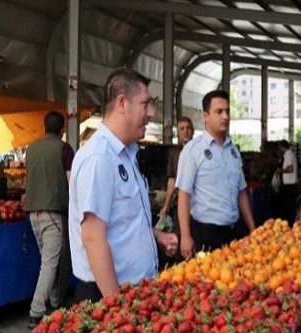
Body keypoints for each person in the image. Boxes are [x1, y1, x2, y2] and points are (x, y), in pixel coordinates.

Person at [69, 68, 178, 302]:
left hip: (135, 292)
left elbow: (120, 222)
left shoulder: (127, 154)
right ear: (122, 103)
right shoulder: (99, 158)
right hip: (108, 296)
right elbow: (93, 238)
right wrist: (116, 308)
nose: (151, 113)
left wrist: (155, 235)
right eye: (145, 103)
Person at [176, 90, 256, 259]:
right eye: (219, 112)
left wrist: (252, 229)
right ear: (205, 115)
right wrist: (185, 236)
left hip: (234, 233)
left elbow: (242, 193)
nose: (225, 116)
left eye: (227, 111)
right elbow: (184, 194)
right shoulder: (192, 151)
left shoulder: (234, 151)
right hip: (206, 233)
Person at [24, 111, 75, 328]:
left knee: (52, 259)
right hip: (53, 212)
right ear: (62, 129)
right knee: (51, 263)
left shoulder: (31, 149)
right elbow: (71, 181)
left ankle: (55, 300)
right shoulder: (64, 149)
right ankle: (37, 310)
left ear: (44, 127)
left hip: (32, 213)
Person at [158, 117, 194, 267]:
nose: (185, 131)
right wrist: (166, 205)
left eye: (188, 128)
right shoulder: (174, 153)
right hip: (180, 204)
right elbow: (172, 180)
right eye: (182, 128)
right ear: (178, 133)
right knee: (180, 243)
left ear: (192, 131)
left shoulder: (199, 150)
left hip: (198, 205)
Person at [276, 140, 298, 226]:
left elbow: (290, 169)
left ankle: (289, 223)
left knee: (288, 206)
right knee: (291, 206)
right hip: (292, 184)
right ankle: (291, 222)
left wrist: (280, 171)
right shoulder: (291, 154)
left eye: (280, 147)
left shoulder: (288, 155)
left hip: (289, 185)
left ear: (283, 147)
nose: (280, 149)